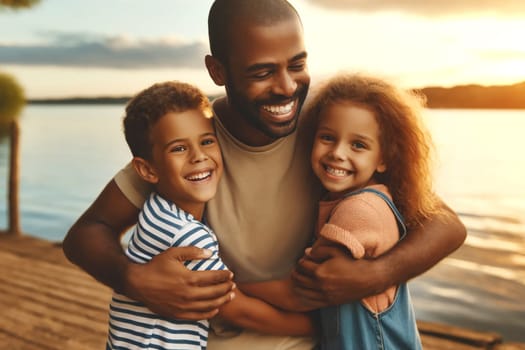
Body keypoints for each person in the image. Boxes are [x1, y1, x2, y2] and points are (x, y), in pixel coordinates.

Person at [63, 1, 466, 349]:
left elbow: (445, 224)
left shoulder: (326, 133)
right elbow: (87, 232)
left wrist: (373, 275)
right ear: (217, 70)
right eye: (262, 72)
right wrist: (135, 279)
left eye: (298, 64)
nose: (287, 87)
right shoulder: (195, 144)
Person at [107, 81, 314, 349]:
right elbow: (240, 310)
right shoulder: (186, 236)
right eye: (179, 148)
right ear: (147, 170)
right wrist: (315, 327)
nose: (199, 157)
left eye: (206, 141)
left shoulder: (155, 211)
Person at [306, 73, 435, 349]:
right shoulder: (367, 197)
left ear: (384, 159)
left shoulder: (359, 210)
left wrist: (230, 290)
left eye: (358, 145)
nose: (338, 153)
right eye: (327, 137)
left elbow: (302, 290)